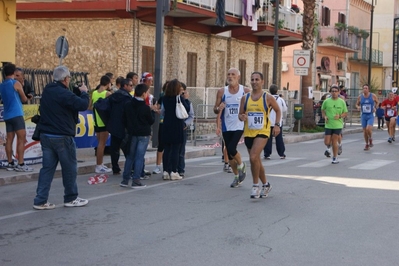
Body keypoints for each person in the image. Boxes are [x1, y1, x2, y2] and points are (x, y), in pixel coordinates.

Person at [33, 65, 89, 210]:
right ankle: (71, 198)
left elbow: (66, 100)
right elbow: (82, 104)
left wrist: (76, 91)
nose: (69, 80)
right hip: (62, 136)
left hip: (46, 135)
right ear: (65, 79)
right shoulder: (63, 93)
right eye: (69, 78)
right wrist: (84, 93)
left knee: (47, 169)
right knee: (69, 168)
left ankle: (40, 200)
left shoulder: (48, 90)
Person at [238, 72, 280, 199]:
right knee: (256, 160)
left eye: (257, 79)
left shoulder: (267, 97)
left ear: (262, 81)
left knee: (253, 156)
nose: (254, 81)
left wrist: (277, 125)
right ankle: (266, 184)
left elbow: (278, 110)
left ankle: (255, 186)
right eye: (252, 79)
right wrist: (242, 117)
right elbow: (240, 114)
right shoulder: (245, 98)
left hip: (263, 131)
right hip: (249, 132)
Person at [213, 68, 250, 188]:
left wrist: (246, 115)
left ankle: (241, 165)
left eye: (233, 74)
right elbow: (215, 109)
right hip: (226, 126)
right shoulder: (221, 91)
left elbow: (252, 108)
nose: (230, 76)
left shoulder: (245, 91)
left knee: (231, 147)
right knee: (229, 153)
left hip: (239, 124)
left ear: (238, 77)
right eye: (228, 74)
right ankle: (236, 177)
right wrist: (219, 108)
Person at [120, 83, 155, 188]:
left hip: (131, 134)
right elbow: (151, 121)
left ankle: (125, 180)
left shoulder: (128, 105)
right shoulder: (145, 107)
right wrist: (152, 111)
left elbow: (124, 119)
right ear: (143, 94)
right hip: (143, 134)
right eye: (147, 92)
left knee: (130, 157)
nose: (148, 94)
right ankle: (136, 180)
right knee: (139, 157)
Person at [0, 63, 33, 172]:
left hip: (7, 114)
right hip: (17, 114)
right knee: (21, 138)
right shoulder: (16, 83)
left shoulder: (2, 85)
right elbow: (24, 99)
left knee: (9, 139)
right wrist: (23, 90)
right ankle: (21, 164)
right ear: (14, 72)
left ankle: (10, 163)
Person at [161, 79, 189, 181]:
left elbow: (163, 111)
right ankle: (174, 171)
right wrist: (185, 99)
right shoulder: (179, 98)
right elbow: (187, 109)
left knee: (167, 149)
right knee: (176, 149)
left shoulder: (164, 98)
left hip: (166, 124)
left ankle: (166, 171)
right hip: (177, 125)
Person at [108, 78, 133, 175]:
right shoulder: (127, 98)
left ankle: (115, 168)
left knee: (114, 148)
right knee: (127, 149)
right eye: (130, 85)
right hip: (124, 126)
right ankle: (131, 168)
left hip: (114, 125)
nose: (131, 87)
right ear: (125, 86)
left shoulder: (113, 96)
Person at [91, 75, 113, 173]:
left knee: (100, 143)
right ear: (108, 83)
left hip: (96, 121)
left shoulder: (94, 93)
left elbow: (89, 106)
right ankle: (99, 166)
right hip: (104, 121)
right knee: (102, 144)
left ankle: (100, 164)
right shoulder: (107, 93)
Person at [321, 85, 348, 164]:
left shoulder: (342, 102)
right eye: (332, 91)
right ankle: (333, 147)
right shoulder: (326, 101)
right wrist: (324, 116)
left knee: (334, 140)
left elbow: (345, 113)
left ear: (339, 92)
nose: (334, 93)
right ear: (330, 92)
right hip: (328, 124)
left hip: (338, 125)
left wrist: (339, 116)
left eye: (336, 91)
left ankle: (335, 157)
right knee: (326, 142)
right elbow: (322, 109)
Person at [263, 84, 287, 159]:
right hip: (278, 121)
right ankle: (281, 153)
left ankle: (267, 154)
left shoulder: (267, 98)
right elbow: (284, 109)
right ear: (277, 91)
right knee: (279, 138)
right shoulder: (280, 100)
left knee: (268, 138)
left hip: (268, 122)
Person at [177, 82, 195, 178]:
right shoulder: (173, 99)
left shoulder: (188, 102)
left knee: (181, 150)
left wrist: (185, 124)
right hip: (174, 127)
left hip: (182, 127)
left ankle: (180, 169)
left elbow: (191, 115)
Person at [355, 84, 379, 151]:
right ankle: (367, 144)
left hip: (370, 115)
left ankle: (370, 138)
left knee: (368, 129)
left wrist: (375, 107)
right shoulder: (360, 97)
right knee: (365, 131)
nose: (365, 89)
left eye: (366, 88)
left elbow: (377, 102)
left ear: (368, 89)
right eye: (364, 88)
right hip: (363, 115)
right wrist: (358, 107)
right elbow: (356, 104)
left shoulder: (373, 96)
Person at [152, 81, 168, 175]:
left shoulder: (176, 99)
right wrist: (158, 111)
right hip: (163, 123)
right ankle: (158, 166)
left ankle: (168, 166)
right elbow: (157, 108)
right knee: (161, 146)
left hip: (171, 124)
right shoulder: (162, 98)